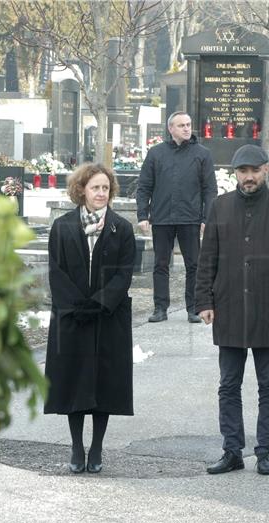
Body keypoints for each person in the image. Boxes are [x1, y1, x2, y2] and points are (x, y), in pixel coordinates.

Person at [195, 144, 269, 475]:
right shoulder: (220, 206)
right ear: (235, 174)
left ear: (265, 171)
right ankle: (232, 450)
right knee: (229, 384)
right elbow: (207, 257)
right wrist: (203, 300)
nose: (249, 177)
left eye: (255, 170)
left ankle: (265, 451)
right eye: (243, 171)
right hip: (228, 308)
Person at [43, 163, 136, 474]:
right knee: (74, 381)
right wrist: (75, 305)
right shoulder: (63, 227)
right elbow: (56, 271)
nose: (101, 193)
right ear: (81, 189)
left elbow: (124, 273)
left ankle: (96, 447)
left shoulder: (120, 228)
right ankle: (76, 446)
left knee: (104, 384)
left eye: (106, 188)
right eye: (95, 187)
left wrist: (100, 303)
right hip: (72, 316)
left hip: (107, 318)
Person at [136, 111, 217, 324]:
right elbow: (144, 186)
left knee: (194, 265)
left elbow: (210, 190)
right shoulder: (156, 153)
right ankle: (160, 308)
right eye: (181, 125)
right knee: (161, 265)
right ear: (170, 129)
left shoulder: (202, 154)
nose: (186, 128)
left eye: (189, 124)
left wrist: (206, 219)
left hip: (190, 218)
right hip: (162, 218)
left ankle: (193, 308)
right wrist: (143, 214)